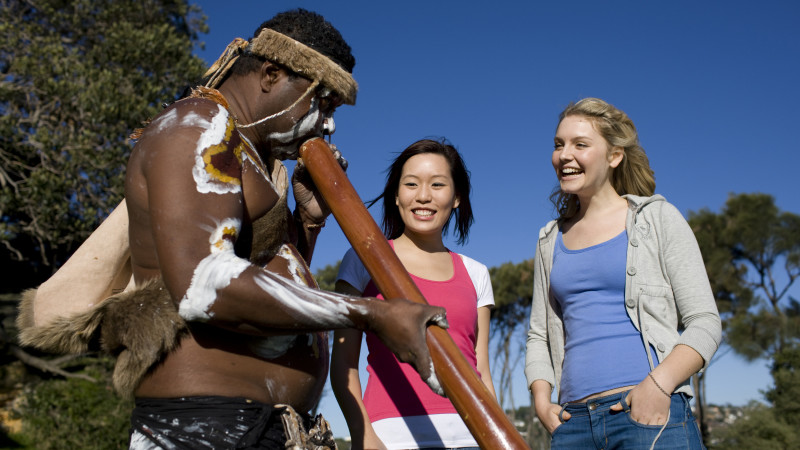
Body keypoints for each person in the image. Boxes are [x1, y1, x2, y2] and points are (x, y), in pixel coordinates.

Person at [17, 9, 448, 449]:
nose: (328, 124)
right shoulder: (197, 126)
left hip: (263, 428)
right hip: (208, 426)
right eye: (322, 103)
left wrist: (307, 224)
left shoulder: (255, 159)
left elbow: (264, 282)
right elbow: (202, 285)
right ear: (271, 74)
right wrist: (373, 315)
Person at [525, 98, 721, 449]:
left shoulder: (657, 219)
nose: (564, 155)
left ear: (614, 156)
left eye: (580, 145)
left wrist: (658, 386)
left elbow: (705, 322)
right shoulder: (548, 239)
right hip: (573, 425)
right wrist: (542, 399)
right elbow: (539, 334)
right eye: (559, 145)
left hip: (649, 415)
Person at [330, 139, 496, 450]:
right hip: (392, 437)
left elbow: (482, 369)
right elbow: (343, 362)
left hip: (471, 435)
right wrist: (363, 434)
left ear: (456, 197)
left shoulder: (476, 273)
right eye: (411, 184)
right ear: (396, 194)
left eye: (437, 184)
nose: (423, 196)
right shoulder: (363, 261)